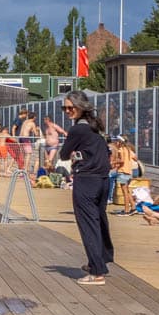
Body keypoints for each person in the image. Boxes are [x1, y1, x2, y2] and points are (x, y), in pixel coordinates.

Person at [59, 90, 113, 286]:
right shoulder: (95, 127)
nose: (67, 111)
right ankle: (98, 261)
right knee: (99, 221)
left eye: (70, 107)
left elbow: (64, 154)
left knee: (88, 225)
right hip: (103, 180)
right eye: (64, 108)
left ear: (80, 106)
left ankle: (97, 272)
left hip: (87, 181)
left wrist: (74, 154)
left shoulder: (77, 130)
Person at [107, 136, 135, 211]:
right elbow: (135, 158)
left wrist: (113, 162)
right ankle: (133, 207)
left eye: (117, 141)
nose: (116, 143)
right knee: (127, 191)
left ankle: (126, 210)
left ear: (120, 142)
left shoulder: (121, 150)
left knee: (124, 192)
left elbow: (122, 160)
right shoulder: (128, 149)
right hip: (129, 172)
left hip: (122, 172)